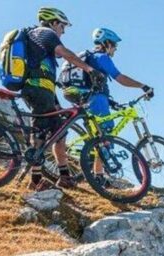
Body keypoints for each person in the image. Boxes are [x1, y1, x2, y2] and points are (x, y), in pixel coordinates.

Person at [23, 7, 104, 190]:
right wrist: (89, 69)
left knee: (59, 130)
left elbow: (54, 58)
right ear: (53, 22)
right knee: (41, 131)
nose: (64, 30)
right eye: (62, 26)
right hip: (38, 88)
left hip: (46, 89)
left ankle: (65, 176)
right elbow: (66, 53)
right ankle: (35, 181)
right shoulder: (45, 33)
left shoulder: (40, 39)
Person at [62, 27, 153, 183]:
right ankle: (99, 176)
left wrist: (111, 102)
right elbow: (120, 78)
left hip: (80, 95)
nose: (116, 48)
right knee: (105, 134)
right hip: (95, 99)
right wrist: (143, 86)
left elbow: (97, 85)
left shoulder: (91, 57)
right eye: (114, 45)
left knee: (98, 134)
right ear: (106, 43)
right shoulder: (102, 57)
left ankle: (98, 174)